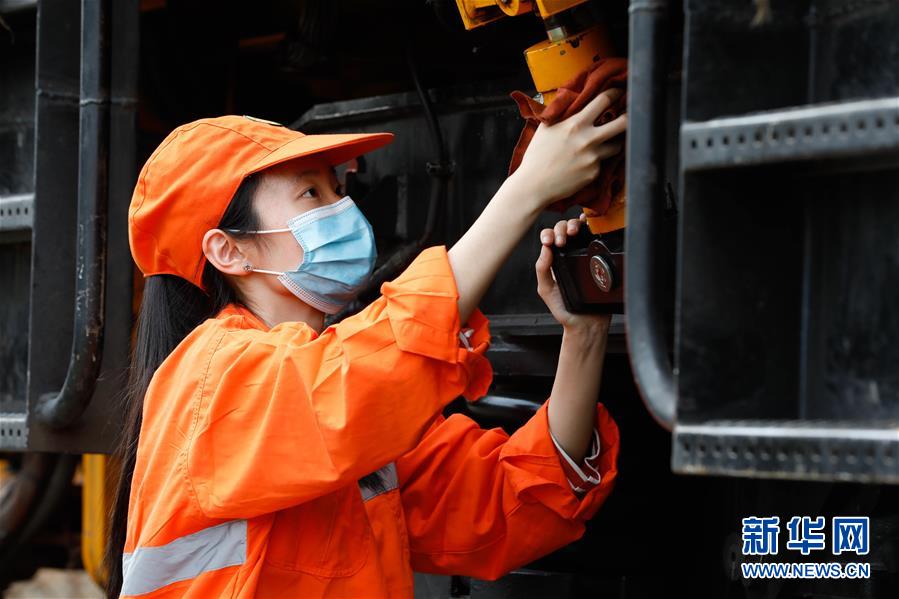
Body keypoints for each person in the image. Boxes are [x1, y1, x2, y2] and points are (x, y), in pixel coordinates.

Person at [106, 89, 627, 598]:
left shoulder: (349, 422)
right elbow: (353, 384)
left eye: (337, 190)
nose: (341, 209)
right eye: (311, 193)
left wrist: (584, 331)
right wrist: (526, 189)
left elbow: (506, 502)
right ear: (228, 250)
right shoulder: (211, 378)